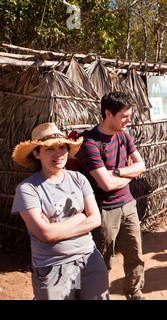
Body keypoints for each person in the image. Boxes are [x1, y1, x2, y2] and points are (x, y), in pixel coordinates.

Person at [11, 123, 109, 300]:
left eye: (62, 147)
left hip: (89, 259)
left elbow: (95, 220)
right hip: (52, 267)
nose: (58, 153)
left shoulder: (79, 179)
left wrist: (57, 229)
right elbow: (45, 234)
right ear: (36, 153)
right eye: (49, 149)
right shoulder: (28, 189)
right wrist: (79, 217)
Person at [76, 91, 146, 300]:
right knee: (101, 261)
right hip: (104, 211)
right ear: (108, 113)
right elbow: (105, 186)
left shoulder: (124, 135)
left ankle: (134, 292)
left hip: (128, 205)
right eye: (124, 116)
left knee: (135, 256)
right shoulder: (90, 144)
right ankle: (97, 295)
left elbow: (141, 166)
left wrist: (117, 172)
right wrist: (129, 173)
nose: (129, 120)